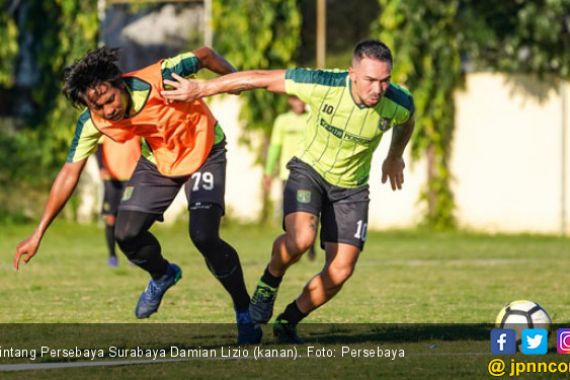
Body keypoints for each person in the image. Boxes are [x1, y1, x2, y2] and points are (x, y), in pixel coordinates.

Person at [162, 39, 415, 343]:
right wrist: (201, 89)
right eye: (370, 80)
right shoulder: (325, 84)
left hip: (351, 189)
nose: (378, 89)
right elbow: (260, 78)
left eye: (385, 80)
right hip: (309, 171)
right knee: (301, 239)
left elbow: (407, 121)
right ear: (352, 74)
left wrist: (394, 155)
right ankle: (269, 282)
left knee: (341, 270)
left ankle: (288, 320)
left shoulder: (399, 102)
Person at [13, 46, 261, 344]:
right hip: (158, 160)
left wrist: (231, 81)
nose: (108, 111)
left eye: (109, 100)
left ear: (120, 83)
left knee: (204, 236)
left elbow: (206, 55)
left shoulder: (162, 75)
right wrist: (38, 232)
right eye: (98, 107)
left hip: (205, 150)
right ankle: (162, 274)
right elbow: (69, 173)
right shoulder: (92, 122)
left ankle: (244, 312)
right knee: (126, 233)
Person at [263, 96, 316, 260]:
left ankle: (310, 245)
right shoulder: (282, 121)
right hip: (288, 175)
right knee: (290, 213)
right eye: (295, 100)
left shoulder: (312, 119)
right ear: (290, 101)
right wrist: (268, 171)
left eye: (301, 100)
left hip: (309, 174)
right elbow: (275, 147)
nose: (299, 103)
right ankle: (293, 244)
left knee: (310, 211)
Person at [96, 135, 141, 267]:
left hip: (132, 177)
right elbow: (98, 149)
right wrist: (101, 168)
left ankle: (132, 255)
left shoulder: (137, 123)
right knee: (110, 219)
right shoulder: (107, 124)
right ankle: (112, 255)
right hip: (111, 179)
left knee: (132, 219)